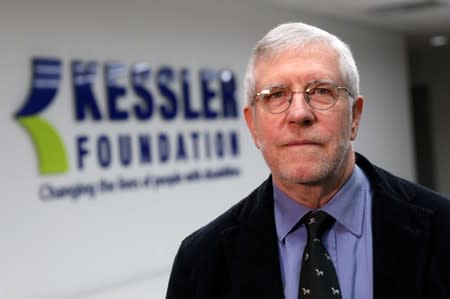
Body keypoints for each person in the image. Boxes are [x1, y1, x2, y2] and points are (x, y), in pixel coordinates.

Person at [165, 22, 450, 299]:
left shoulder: (443, 228)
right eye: (276, 95)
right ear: (253, 125)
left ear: (355, 116)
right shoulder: (201, 262)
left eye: (321, 91)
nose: (299, 113)